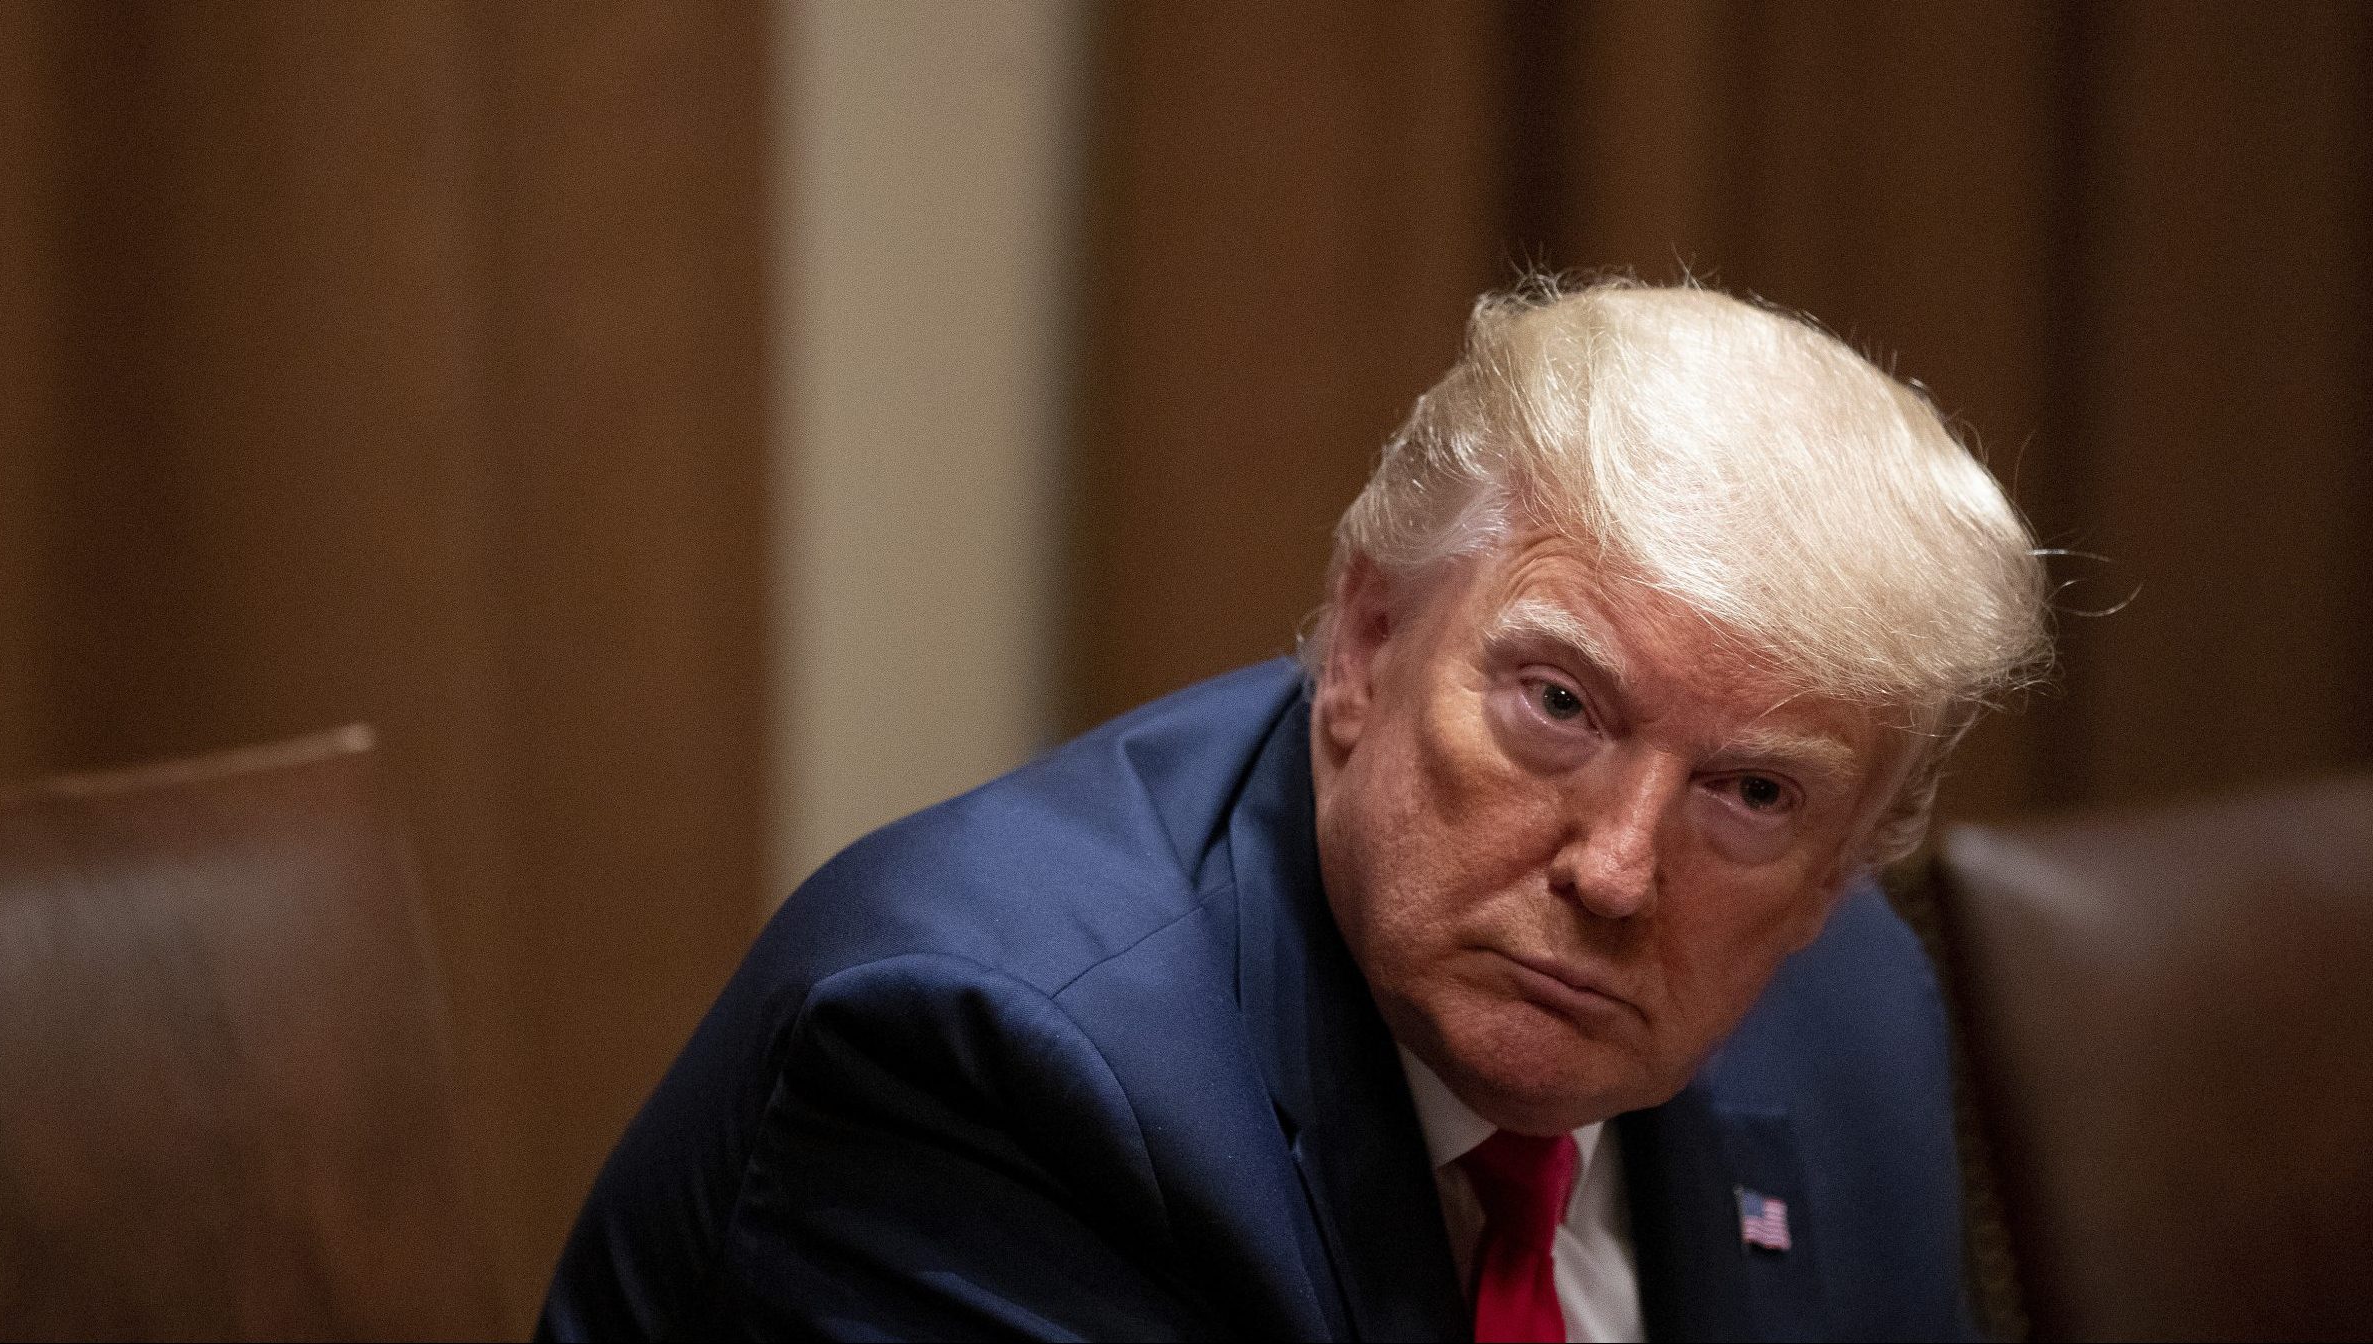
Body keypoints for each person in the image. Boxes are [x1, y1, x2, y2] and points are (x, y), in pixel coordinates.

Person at [539, 281, 2049, 1341]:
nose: (1616, 869)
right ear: (1370, 644)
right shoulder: (985, 1064)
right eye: (1560, 707)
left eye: (1754, 792)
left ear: (1845, 859)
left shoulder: (1848, 1012)